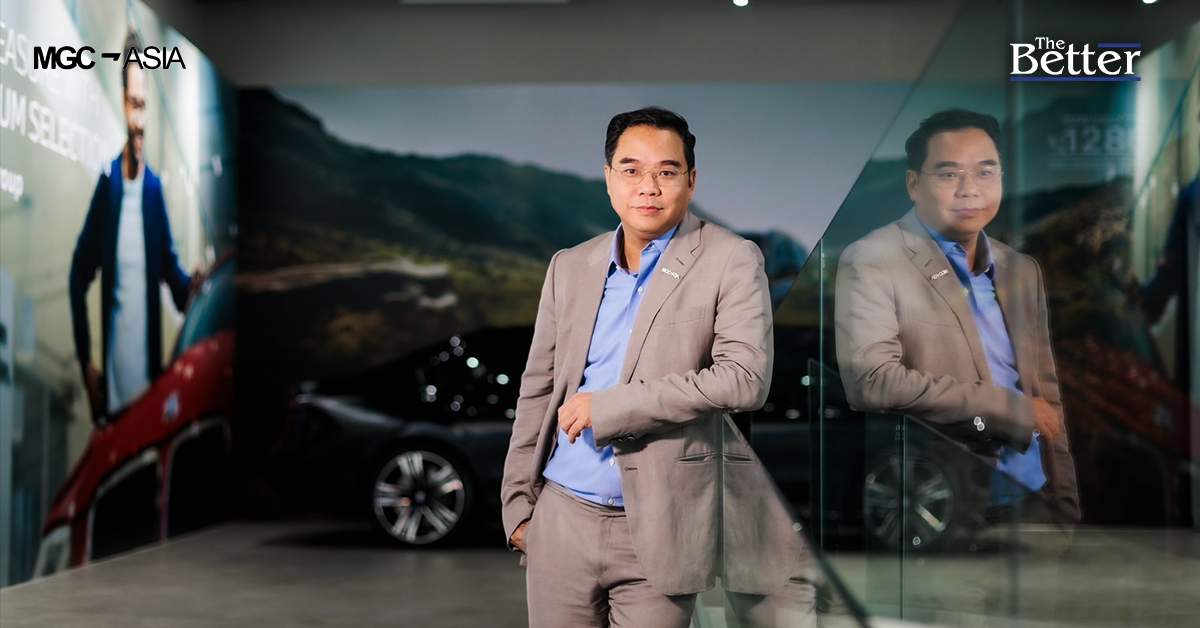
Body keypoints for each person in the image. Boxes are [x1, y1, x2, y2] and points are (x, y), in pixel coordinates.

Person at [501, 107, 805, 627]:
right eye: (631, 170)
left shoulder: (732, 258)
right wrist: (517, 506)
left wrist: (610, 408)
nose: (648, 186)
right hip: (561, 515)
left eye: (666, 171)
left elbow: (744, 379)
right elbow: (539, 389)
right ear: (608, 178)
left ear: (691, 180)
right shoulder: (569, 266)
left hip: (663, 525)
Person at [834, 109, 1080, 527]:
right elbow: (872, 382)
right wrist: (1010, 408)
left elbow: (1046, 395)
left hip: (1035, 500)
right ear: (913, 184)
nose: (970, 189)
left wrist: (1065, 506)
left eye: (985, 172)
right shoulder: (873, 259)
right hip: (950, 504)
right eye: (949, 174)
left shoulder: (1020, 268)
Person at [69, 30, 194, 424]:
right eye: (133, 105)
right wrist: (86, 362)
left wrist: (196, 287)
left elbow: (173, 281)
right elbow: (77, 274)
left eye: (145, 107)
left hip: (149, 399)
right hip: (112, 402)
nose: (140, 121)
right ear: (123, 102)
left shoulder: (153, 191)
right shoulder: (109, 187)